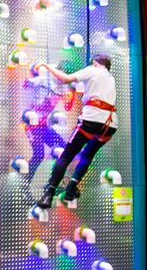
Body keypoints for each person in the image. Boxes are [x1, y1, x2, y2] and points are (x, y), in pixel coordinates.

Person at [35, 54, 118, 209]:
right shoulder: (110, 78)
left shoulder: (93, 69)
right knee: (88, 155)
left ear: (94, 63)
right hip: (110, 124)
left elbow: (65, 79)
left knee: (66, 156)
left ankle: (49, 194)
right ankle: (72, 188)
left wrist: (47, 66)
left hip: (91, 119)